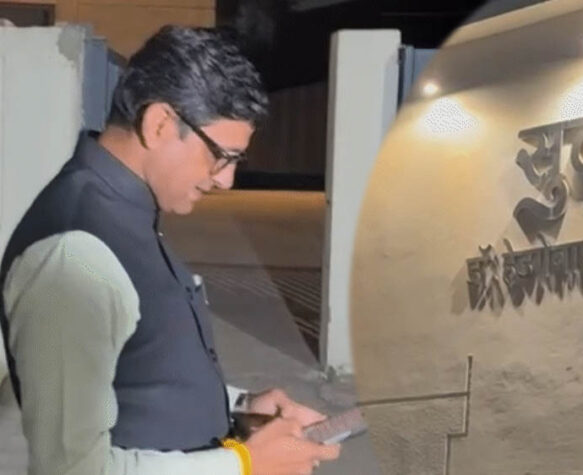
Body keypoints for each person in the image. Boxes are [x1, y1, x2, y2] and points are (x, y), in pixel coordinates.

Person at [0, 25, 340, 475]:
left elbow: (137, 374)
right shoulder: (74, 255)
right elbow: (72, 468)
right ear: (159, 123)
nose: (225, 180)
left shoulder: (124, 213)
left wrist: (237, 405)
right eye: (220, 155)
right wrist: (244, 464)